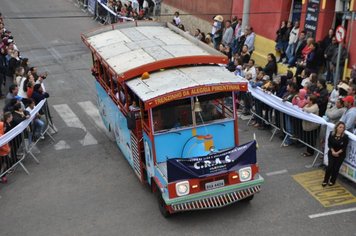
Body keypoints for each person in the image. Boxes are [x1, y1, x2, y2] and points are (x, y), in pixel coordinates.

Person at [322, 121, 349, 187]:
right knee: (329, 167)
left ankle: (332, 181)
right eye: (340, 127)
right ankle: (325, 180)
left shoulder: (345, 137)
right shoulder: (332, 134)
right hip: (331, 152)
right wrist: (333, 152)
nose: (341, 129)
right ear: (336, 127)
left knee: (336, 168)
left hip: (341, 154)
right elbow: (329, 144)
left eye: (343, 127)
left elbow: (344, 147)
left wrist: (337, 153)